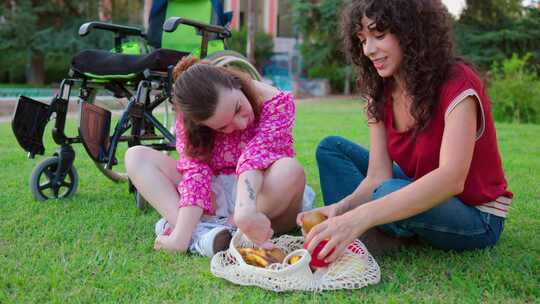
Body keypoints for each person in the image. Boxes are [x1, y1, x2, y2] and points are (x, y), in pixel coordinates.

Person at [298, 0, 512, 262]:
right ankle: (360, 230)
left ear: (411, 31)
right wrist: (341, 208)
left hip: (477, 215)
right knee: (332, 149)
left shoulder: (458, 82)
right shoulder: (380, 91)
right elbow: (377, 175)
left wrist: (359, 216)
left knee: (388, 192)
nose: (369, 50)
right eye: (362, 39)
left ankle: (376, 231)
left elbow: (451, 179)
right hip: (412, 188)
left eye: (379, 35)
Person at [125, 56, 314, 256]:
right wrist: (181, 234)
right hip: (213, 195)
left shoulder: (275, 102)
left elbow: (256, 157)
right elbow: (196, 172)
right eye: (223, 127)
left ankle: (223, 231)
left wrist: (244, 212)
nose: (240, 125)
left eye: (238, 108)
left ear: (235, 83)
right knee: (136, 156)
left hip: (263, 195)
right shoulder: (191, 118)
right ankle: (194, 234)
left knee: (290, 169)